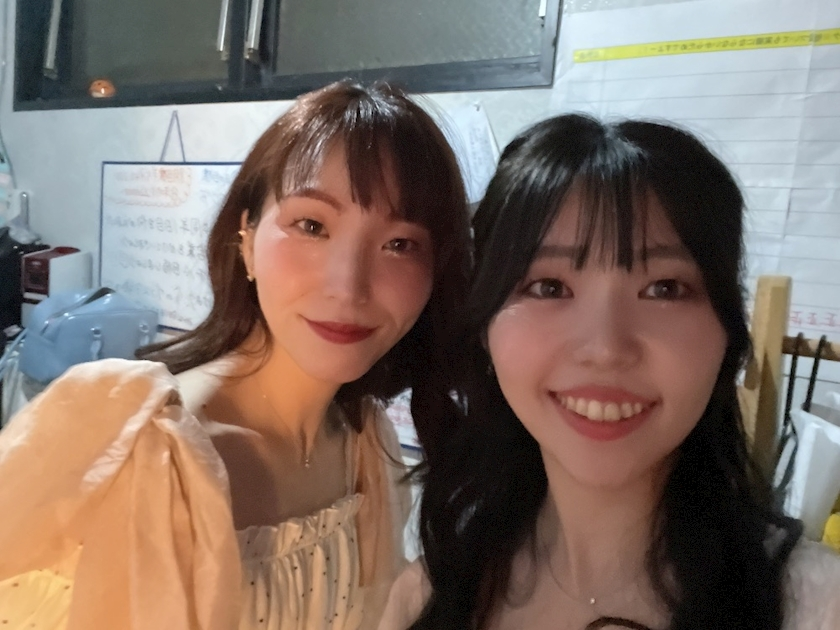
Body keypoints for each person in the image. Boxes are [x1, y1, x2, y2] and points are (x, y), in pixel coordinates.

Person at [0, 80, 470, 630]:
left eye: (400, 244)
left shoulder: (367, 445)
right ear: (246, 238)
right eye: (312, 225)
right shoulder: (142, 450)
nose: (348, 287)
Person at [379, 113, 840, 630]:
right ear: (485, 329)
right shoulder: (426, 599)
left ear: (728, 338)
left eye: (664, 289)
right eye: (549, 287)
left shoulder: (816, 607)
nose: (604, 348)